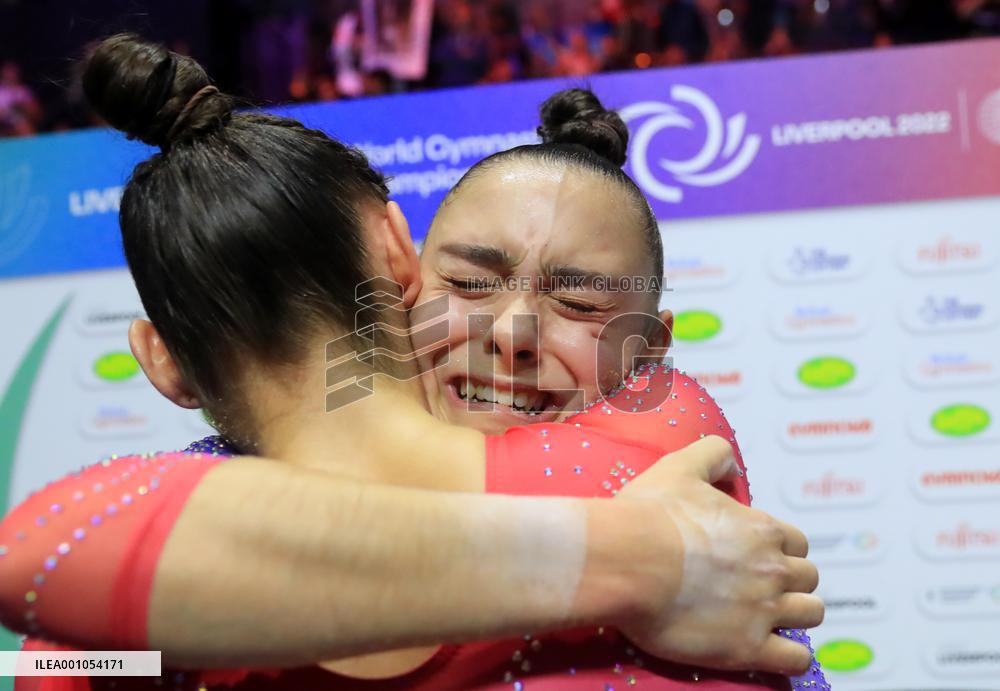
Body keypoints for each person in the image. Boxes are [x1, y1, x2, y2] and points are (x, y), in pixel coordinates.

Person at [0, 34, 825, 689]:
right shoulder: (651, 519)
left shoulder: (673, 442)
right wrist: (643, 558)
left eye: (579, 305)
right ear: (405, 271)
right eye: (469, 281)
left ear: (648, 351)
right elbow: (44, 633)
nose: (512, 332)